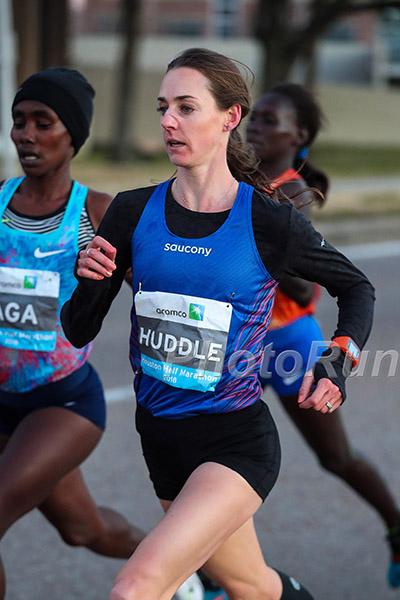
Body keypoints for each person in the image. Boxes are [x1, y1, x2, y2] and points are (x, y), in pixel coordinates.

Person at [61, 48, 375, 600]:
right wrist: (87, 279)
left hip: (235, 441)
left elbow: (356, 288)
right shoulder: (132, 211)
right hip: (160, 439)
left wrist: (335, 364)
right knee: (253, 587)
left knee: (135, 587)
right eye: (163, 107)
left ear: (230, 117)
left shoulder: (267, 219)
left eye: (186, 107)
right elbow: (78, 330)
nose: (168, 121)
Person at [0, 67, 151, 600]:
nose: (27, 135)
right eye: (20, 121)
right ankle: (177, 563)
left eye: (43, 123)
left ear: (73, 135)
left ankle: (182, 563)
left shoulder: (96, 213)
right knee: (84, 529)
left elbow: (157, 295)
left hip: (61, 402)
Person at [246, 83, 400, 589]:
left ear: (298, 136)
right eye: (254, 117)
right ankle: (222, 574)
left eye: (270, 120)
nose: (255, 126)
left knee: (335, 457)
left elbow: (304, 286)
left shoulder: (291, 192)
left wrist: (257, 233)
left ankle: (397, 526)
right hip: (238, 344)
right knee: (218, 458)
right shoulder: (232, 179)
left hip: (289, 343)